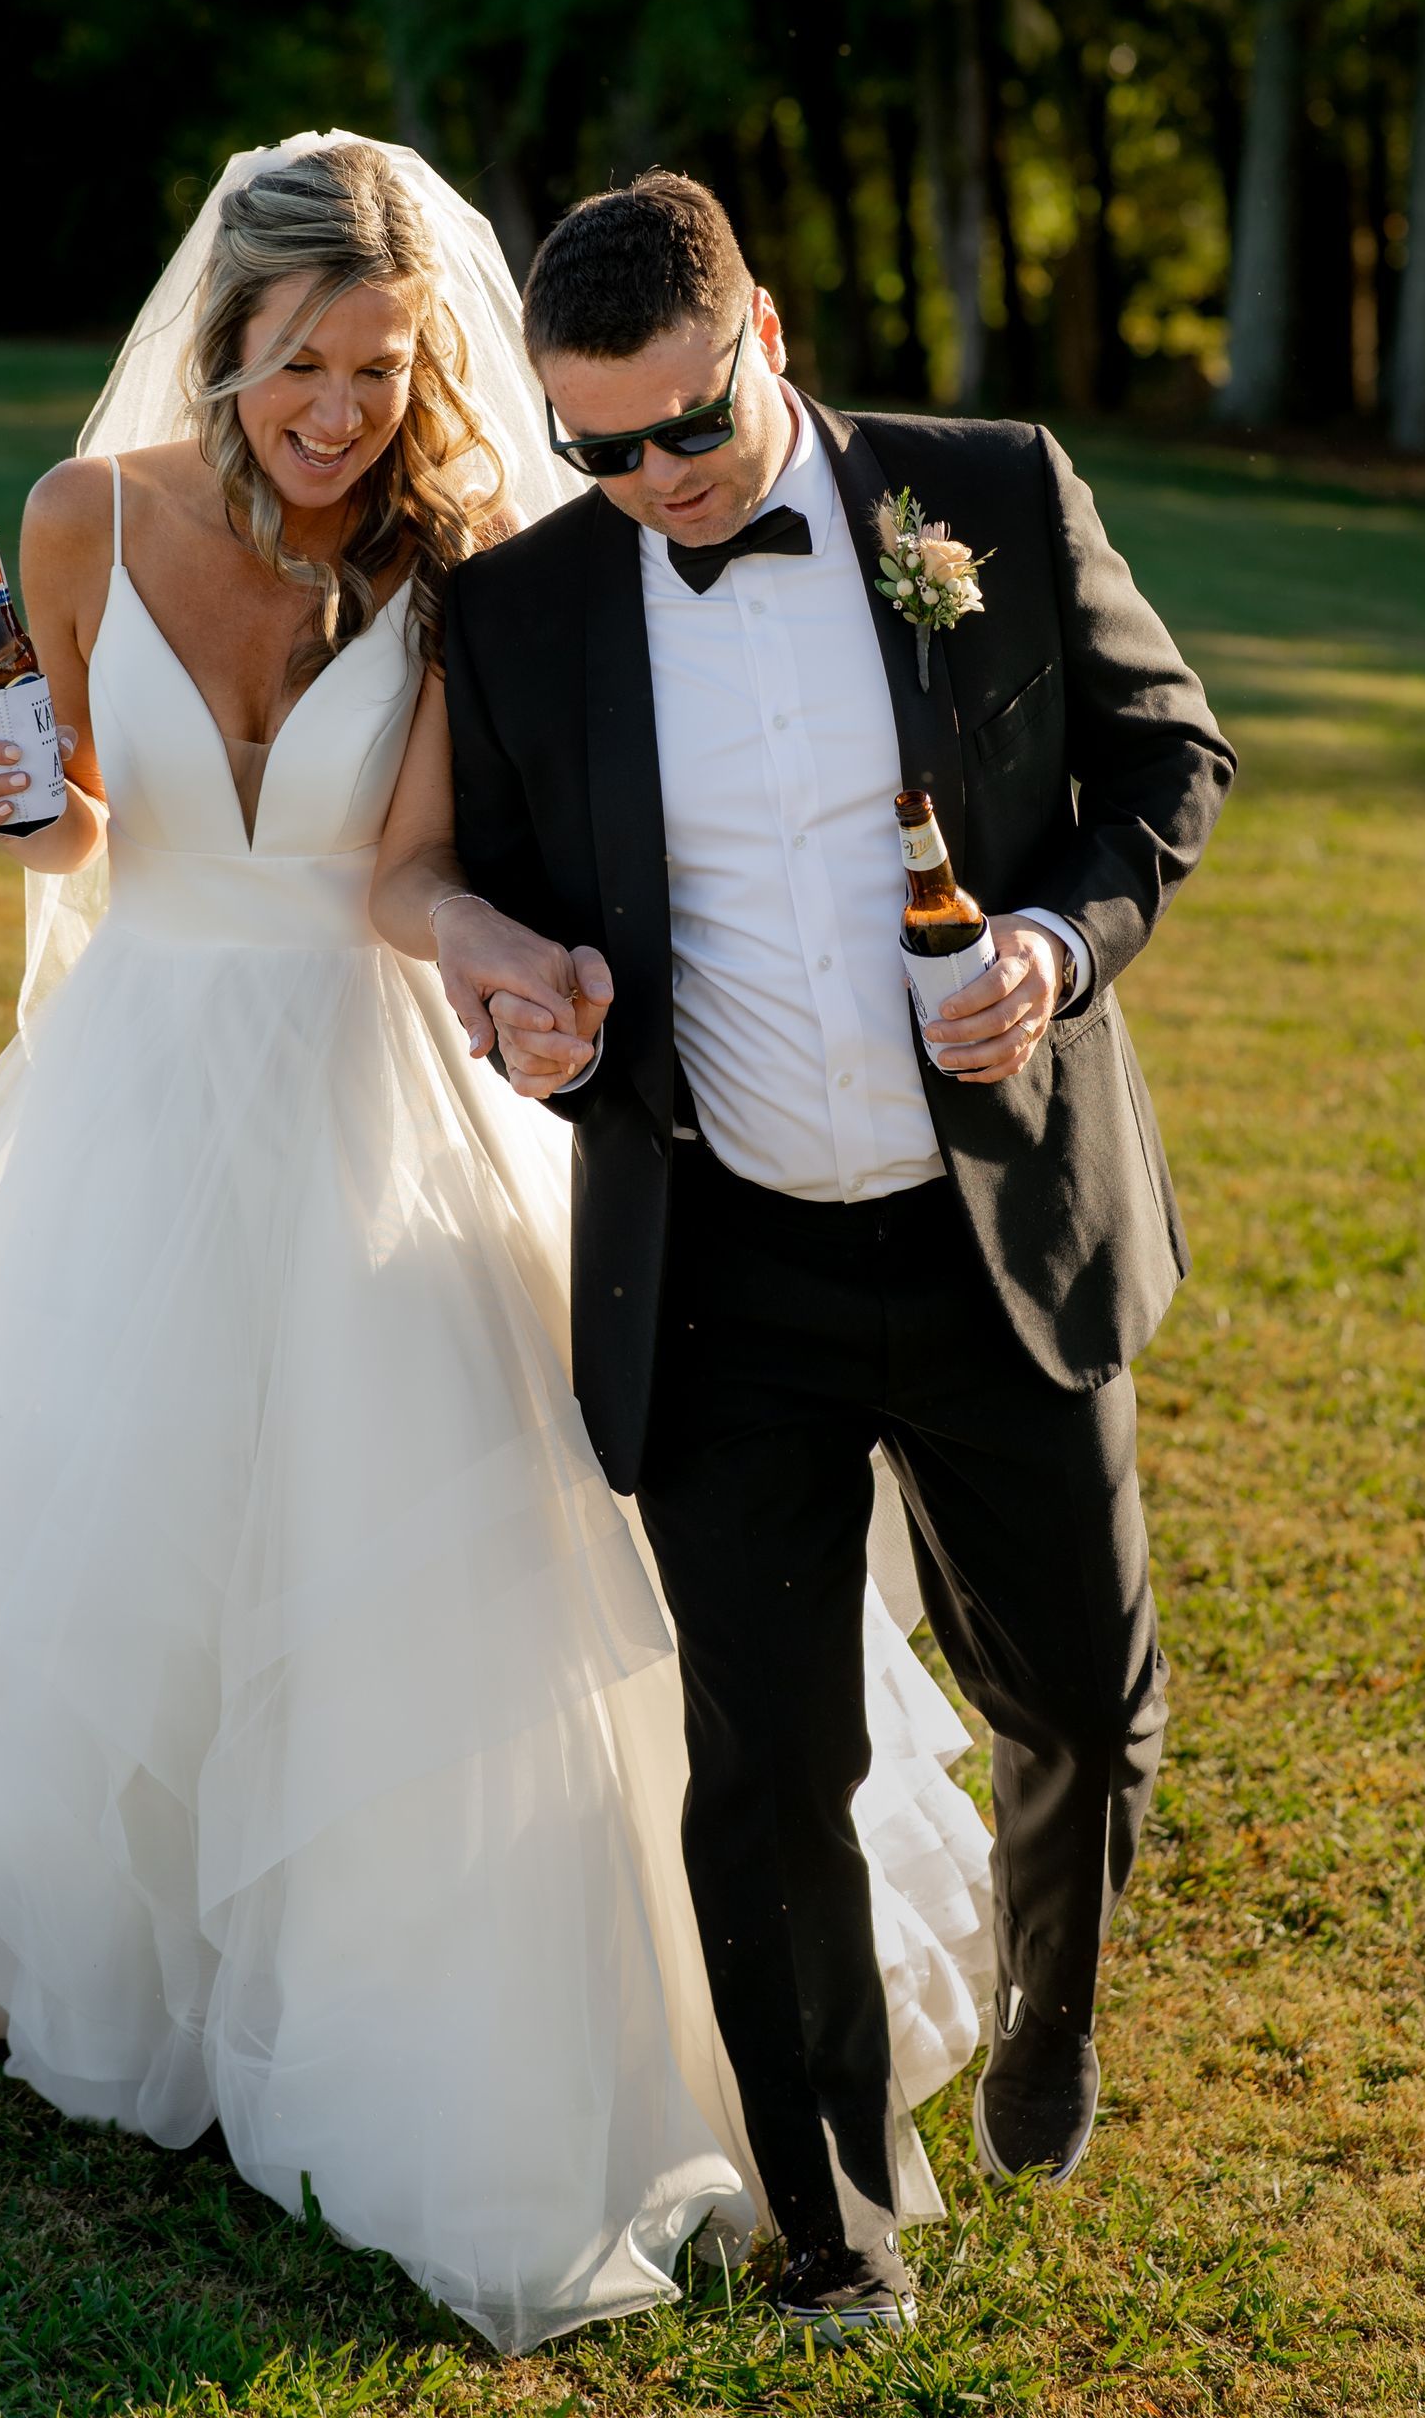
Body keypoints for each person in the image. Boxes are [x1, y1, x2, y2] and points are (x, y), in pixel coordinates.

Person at [0, 136, 993, 2350]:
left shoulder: (460, 553)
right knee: (114, 1524)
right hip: (139, 1085)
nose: (340, 410)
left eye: (377, 364)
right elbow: (70, 807)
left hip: (376, 1097)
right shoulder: (80, 522)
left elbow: (412, 867)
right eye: (297, 369)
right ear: (221, 341)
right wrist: (13, 806)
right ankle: (115, 1937)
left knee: (430, 1555)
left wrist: (510, 964)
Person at [412, 171, 1235, 2334]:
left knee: (1082, 1704)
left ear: (762, 327)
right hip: (726, 1272)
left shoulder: (994, 494)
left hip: (995, 1246)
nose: (657, 483)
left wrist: (1057, 946)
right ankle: (833, 2223)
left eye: (688, 427)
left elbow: (1169, 756)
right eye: (599, 448)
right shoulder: (519, 617)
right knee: (767, 1771)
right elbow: (507, 930)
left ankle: (1051, 2011)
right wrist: (539, 1018)